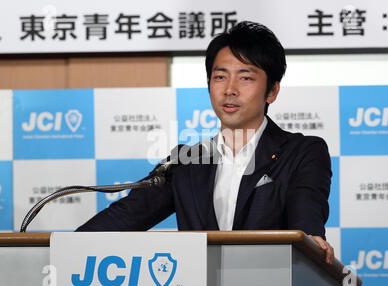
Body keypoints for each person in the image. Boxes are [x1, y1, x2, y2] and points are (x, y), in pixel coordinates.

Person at [76, 21, 335, 264]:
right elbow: (126, 217)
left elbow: (307, 207)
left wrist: (312, 238)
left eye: (245, 78)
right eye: (220, 77)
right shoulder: (187, 161)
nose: (230, 89)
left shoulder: (302, 152)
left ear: (272, 91)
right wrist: (62, 247)